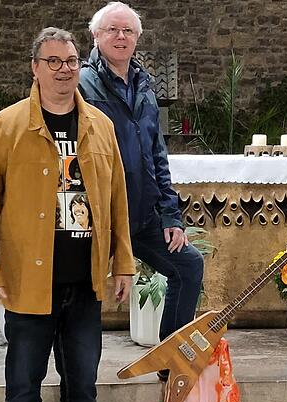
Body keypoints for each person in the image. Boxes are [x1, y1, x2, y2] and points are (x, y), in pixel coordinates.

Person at [0, 27, 135, 402]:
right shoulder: (5, 127)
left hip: (84, 282)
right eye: (54, 62)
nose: (64, 70)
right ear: (35, 68)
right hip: (28, 283)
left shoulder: (100, 125)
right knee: (23, 387)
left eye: (72, 61)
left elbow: (117, 201)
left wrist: (124, 263)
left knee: (83, 388)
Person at [78, 1, 204, 379]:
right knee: (84, 298)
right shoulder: (82, 83)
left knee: (188, 265)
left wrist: (171, 214)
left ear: (136, 39)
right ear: (96, 36)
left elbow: (156, 153)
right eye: (113, 30)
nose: (121, 36)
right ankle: (82, 389)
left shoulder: (143, 84)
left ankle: (170, 360)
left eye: (128, 31)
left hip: (143, 213)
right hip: (99, 215)